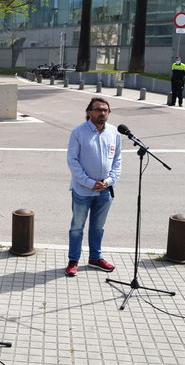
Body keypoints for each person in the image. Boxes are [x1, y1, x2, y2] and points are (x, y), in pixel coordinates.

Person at [65, 97, 122, 277]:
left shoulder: (114, 132)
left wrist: (109, 181)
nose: (102, 113)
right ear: (89, 112)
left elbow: (117, 160)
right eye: (98, 109)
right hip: (82, 190)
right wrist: (90, 183)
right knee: (77, 227)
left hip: (105, 191)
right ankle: (73, 260)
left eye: (105, 110)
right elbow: (72, 161)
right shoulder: (79, 132)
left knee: (98, 227)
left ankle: (95, 258)